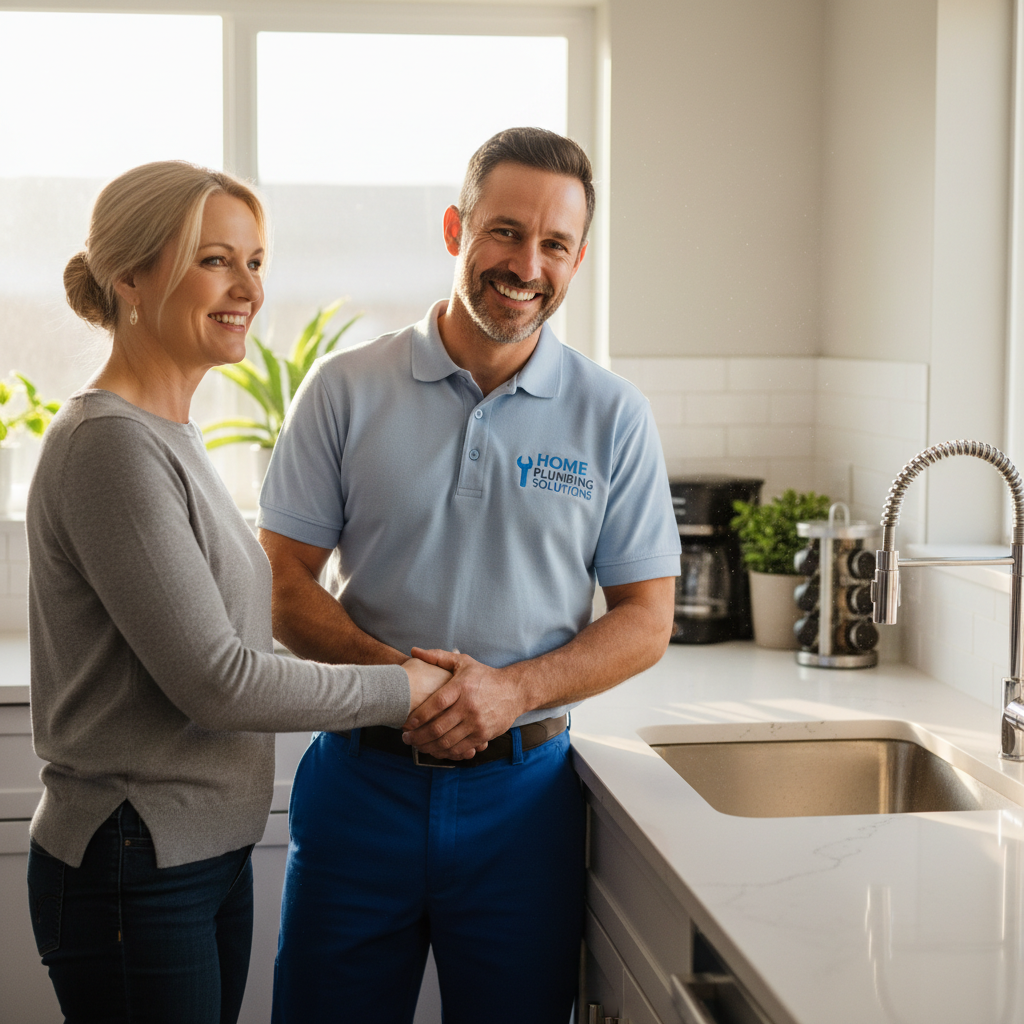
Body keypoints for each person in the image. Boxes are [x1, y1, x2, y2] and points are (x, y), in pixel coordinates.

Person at [258, 128, 681, 1024]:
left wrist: (512, 691)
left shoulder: (613, 416)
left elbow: (647, 618)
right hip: (359, 788)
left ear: (577, 259)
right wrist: (402, 685)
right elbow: (281, 583)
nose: (527, 266)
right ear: (456, 229)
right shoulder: (344, 389)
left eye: (554, 244)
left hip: (524, 808)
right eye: (505, 232)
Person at [25, 160, 450, 1024]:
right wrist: (405, 688)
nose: (248, 289)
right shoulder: (110, 445)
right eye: (216, 260)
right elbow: (219, 682)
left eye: (256, 262)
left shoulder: (170, 436)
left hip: (192, 854)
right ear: (131, 278)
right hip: (134, 856)